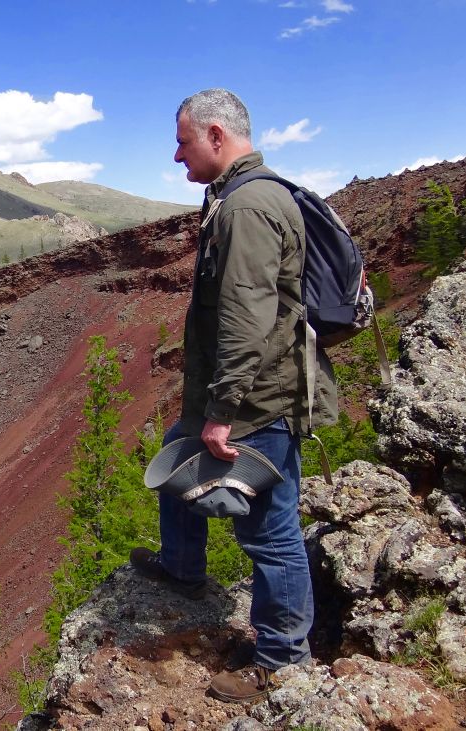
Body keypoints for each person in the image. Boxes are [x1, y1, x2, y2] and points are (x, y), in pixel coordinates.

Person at [129, 88, 337, 703]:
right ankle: (184, 567)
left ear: (216, 135)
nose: (176, 156)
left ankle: (281, 660)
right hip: (254, 390)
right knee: (175, 449)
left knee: (271, 532)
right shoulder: (240, 197)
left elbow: (247, 319)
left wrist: (222, 414)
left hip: (257, 402)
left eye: (183, 141)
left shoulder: (247, 207)